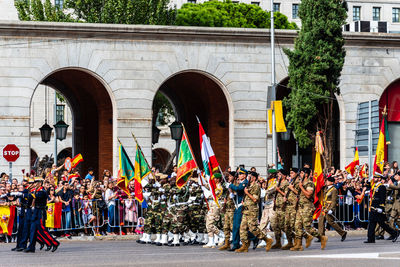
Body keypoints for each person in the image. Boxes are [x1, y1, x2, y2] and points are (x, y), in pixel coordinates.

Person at [236, 171, 272, 253]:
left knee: (253, 228)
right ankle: (245, 246)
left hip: (252, 211)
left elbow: (255, 199)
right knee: (242, 228)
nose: (248, 178)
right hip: (246, 210)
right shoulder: (248, 186)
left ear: (254, 178)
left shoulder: (256, 186)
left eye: (250, 177)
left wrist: (247, 193)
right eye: (248, 176)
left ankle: (267, 239)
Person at [291, 168, 327, 251]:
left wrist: (301, 187)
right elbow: (300, 194)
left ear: (306, 174)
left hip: (307, 207)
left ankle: (321, 238)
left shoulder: (309, 183)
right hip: (300, 207)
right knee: (297, 226)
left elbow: (308, 195)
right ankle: (298, 245)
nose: (300, 174)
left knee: (307, 227)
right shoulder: (301, 183)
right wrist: (294, 189)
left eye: (302, 173)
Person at [364, 174, 399, 243]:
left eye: (376, 177)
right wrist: (367, 181)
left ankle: (394, 233)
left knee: (381, 223)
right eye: (374, 177)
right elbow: (369, 187)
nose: (374, 178)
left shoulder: (381, 186)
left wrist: (381, 207)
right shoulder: (374, 186)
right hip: (373, 207)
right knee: (372, 223)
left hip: (377, 208)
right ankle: (370, 239)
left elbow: (382, 198)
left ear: (379, 178)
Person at [318, 176, 347, 241]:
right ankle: (321, 236)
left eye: (328, 181)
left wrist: (331, 209)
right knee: (321, 221)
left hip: (329, 207)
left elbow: (334, 200)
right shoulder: (326, 188)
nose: (326, 182)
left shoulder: (334, 190)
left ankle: (342, 233)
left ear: (331, 182)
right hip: (324, 207)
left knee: (331, 222)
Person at [203, 173, 223, 248]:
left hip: (215, 206)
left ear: (218, 179)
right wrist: (202, 182)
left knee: (210, 224)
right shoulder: (213, 186)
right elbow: (207, 186)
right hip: (211, 206)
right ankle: (211, 242)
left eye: (214, 178)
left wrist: (207, 192)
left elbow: (212, 195)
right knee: (208, 224)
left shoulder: (219, 187)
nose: (213, 180)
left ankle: (221, 235)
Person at [219, 172, 236, 250]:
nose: (229, 177)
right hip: (227, 209)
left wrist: (233, 192)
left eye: (230, 176)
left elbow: (238, 193)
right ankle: (227, 243)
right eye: (228, 176)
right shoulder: (228, 184)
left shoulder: (235, 184)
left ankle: (238, 242)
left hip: (233, 209)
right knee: (226, 227)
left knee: (233, 227)